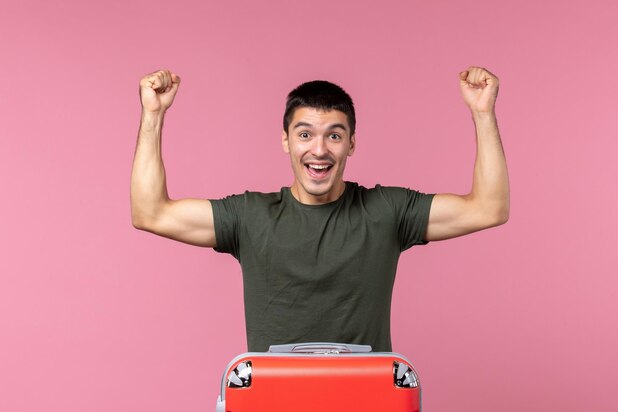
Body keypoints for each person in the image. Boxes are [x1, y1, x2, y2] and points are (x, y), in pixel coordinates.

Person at [131, 67, 509, 352]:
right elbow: (151, 213)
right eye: (305, 134)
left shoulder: (387, 211)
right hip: (273, 402)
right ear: (286, 141)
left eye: (334, 135)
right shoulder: (249, 217)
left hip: (366, 402)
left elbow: (488, 208)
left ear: (351, 144)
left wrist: (482, 113)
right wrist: (153, 115)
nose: (319, 150)